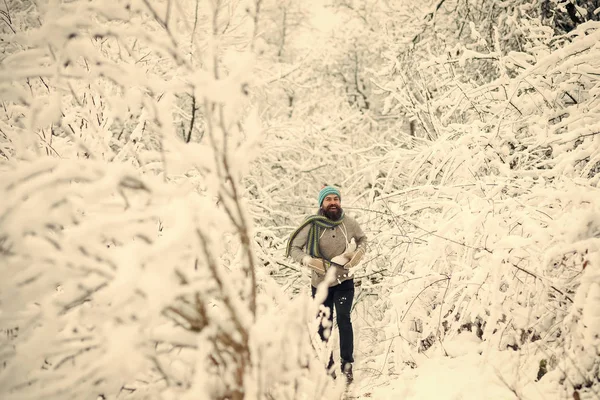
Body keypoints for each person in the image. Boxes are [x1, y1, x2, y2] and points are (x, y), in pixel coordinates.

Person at [285, 185, 367, 383]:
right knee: (324, 325)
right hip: (320, 284)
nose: (333, 203)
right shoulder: (311, 225)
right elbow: (294, 248)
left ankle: (347, 367)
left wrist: (358, 255)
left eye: (335, 199)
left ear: (339, 202)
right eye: (328, 199)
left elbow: (363, 239)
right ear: (321, 203)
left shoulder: (349, 223)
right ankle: (328, 369)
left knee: (344, 320)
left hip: (344, 281)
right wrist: (308, 260)